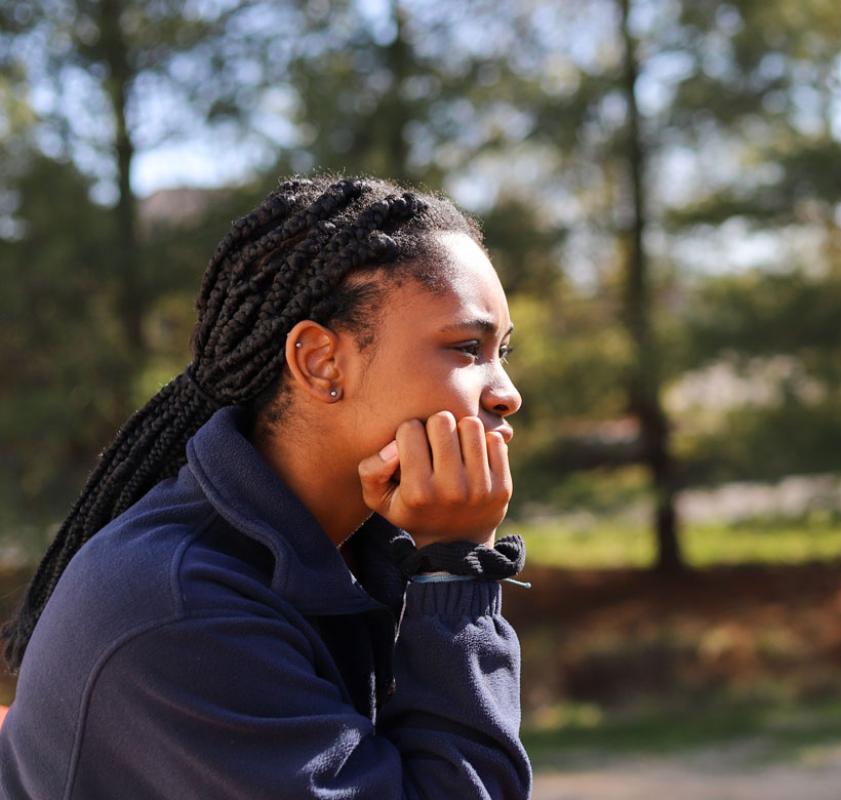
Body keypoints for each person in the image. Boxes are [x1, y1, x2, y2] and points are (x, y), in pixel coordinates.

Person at [0, 175, 533, 799]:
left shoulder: (359, 552)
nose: (507, 393)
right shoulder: (182, 607)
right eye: (468, 348)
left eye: (503, 352)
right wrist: (456, 571)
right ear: (319, 361)